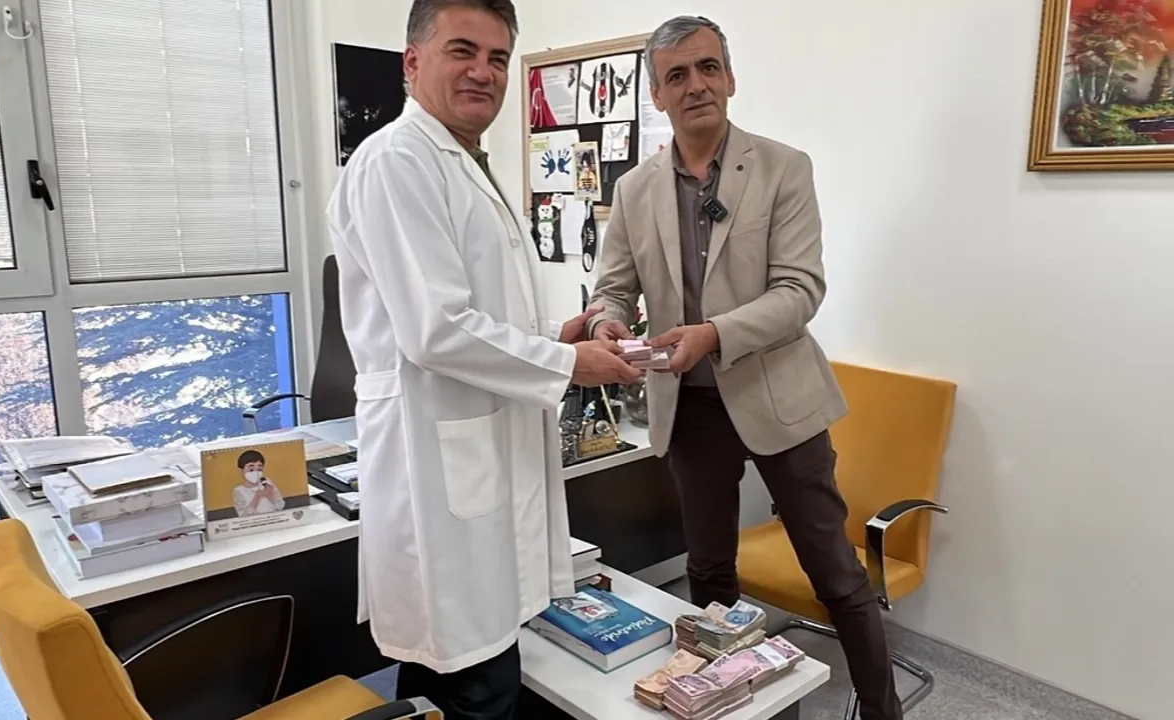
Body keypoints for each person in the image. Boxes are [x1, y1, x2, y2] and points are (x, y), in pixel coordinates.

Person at [324, 1, 641, 718]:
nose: (484, 72)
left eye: (498, 58)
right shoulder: (398, 161)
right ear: (413, 62)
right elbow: (435, 331)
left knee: (467, 676)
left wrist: (557, 337)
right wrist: (568, 365)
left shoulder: (467, 161)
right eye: (462, 50)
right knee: (473, 681)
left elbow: (480, 312)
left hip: (480, 450)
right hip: (436, 461)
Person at [587, 15, 903, 720]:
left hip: (780, 398)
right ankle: (721, 703)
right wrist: (608, 321)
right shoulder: (635, 190)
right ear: (657, 94)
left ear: (730, 78)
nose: (695, 85)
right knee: (708, 573)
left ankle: (883, 711)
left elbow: (800, 291)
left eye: (708, 68)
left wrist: (713, 334)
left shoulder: (784, 168)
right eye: (676, 75)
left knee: (837, 575)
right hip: (690, 410)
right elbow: (613, 289)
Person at [231, 449, 285, 517]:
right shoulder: (238, 490)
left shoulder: (268, 482)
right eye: (251, 470)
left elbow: (280, 506)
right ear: (242, 471)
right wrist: (257, 496)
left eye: (259, 469)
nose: (256, 473)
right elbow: (243, 515)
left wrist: (269, 494)